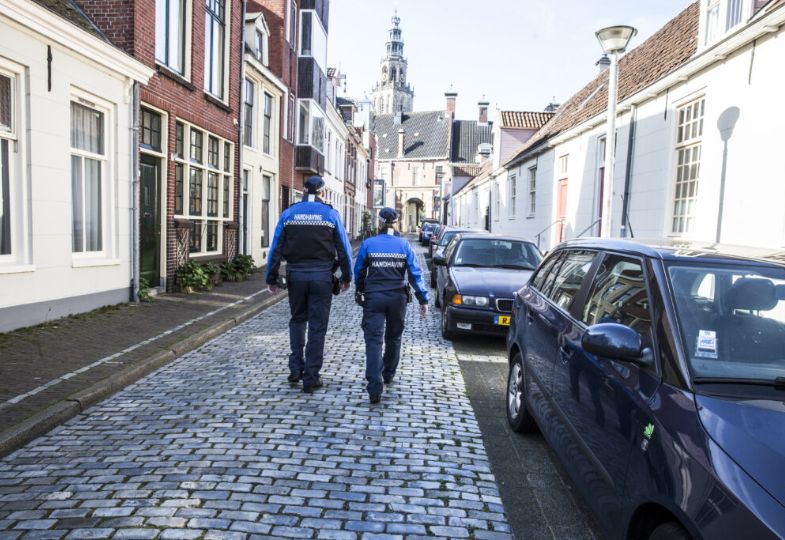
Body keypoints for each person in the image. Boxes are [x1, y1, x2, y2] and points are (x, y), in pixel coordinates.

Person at [266, 176, 353, 393]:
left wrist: (272, 277)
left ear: (303, 192)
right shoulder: (331, 214)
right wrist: (346, 277)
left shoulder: (288, 214)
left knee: (297, 320)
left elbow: (276, 246)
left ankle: (296, 368)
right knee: (317, 327)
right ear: (323, 193)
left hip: (295, 275)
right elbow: (344, 249)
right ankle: (311, 377)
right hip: (322, 277)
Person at [354, 208, 429, 404]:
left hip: (374, 298)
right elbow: (414, 274)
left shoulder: (368, 243)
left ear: (379, 222)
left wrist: (360, 290)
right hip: (397, 298)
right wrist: (423, 299)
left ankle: (374, 387)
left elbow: (360, 271)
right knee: (394, 338)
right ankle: (388, 374)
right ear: (395, 222)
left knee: (373, 341)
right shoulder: (404, 245)